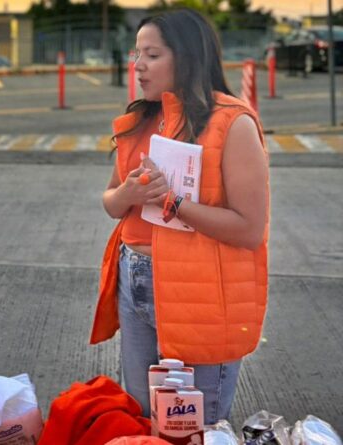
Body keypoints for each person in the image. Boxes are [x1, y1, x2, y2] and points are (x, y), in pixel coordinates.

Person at [90, 9, 269, 425]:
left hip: (199, 289)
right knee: (140, 414)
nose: (138, 66)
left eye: (151, 55)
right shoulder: (141, 119)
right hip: (134, 279)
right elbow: (110, 201)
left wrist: (175, 203)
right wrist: (128, 194)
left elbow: (248, 228)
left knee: (194, 424)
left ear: (187, 58)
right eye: (136, 54)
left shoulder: (232, 123)